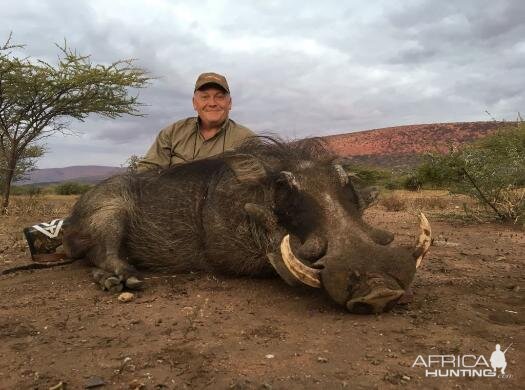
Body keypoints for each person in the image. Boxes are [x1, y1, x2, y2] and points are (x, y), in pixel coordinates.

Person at [136, 72, 255, 172]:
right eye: (205, 97)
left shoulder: (248, 139)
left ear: (229, 103)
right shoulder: (171, 133)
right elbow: (146, 171)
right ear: (194, 103)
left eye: (219, 97)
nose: (212, 103)